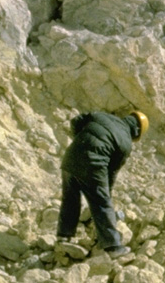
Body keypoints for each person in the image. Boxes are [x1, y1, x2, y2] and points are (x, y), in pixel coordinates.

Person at [56, 110, 148, 257]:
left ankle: (64, 235)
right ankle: (113, 247)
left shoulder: (102, 115)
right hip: (93, 164)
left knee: (70, 198)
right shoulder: (125, 142)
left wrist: (80, 141)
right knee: (101, 204)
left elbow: (76, 121)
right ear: (136, 132)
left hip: (70, 158)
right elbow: (111, 172)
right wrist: (106, 195)